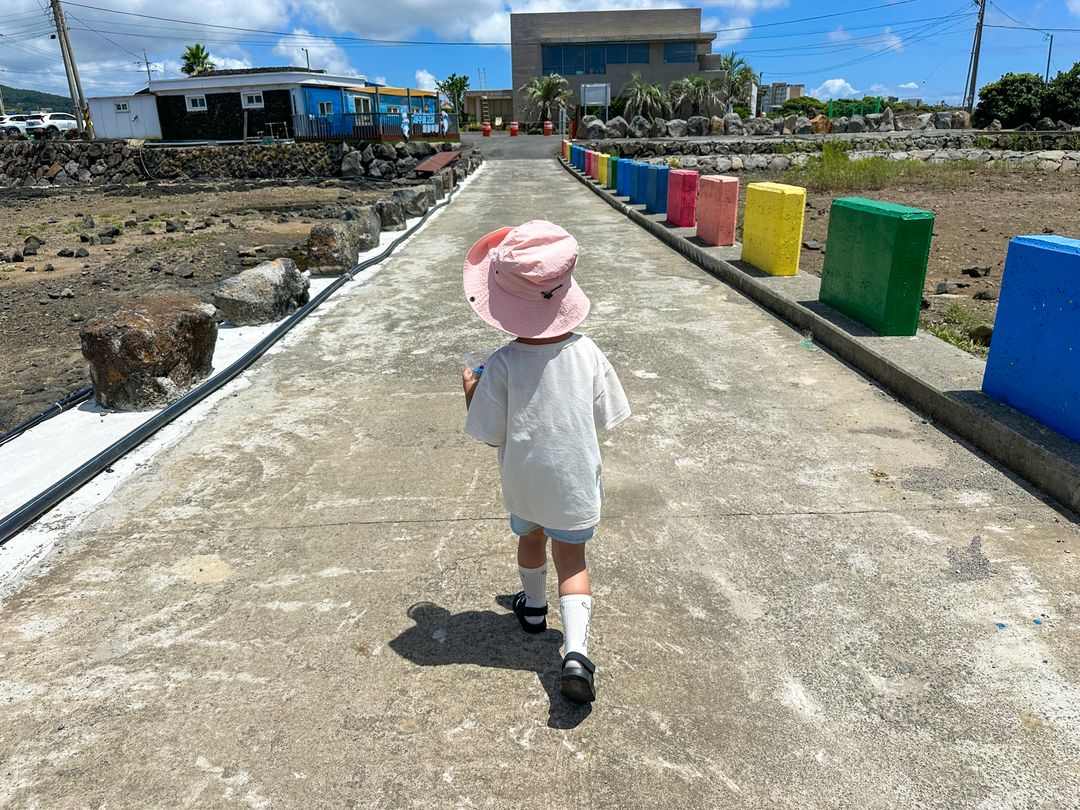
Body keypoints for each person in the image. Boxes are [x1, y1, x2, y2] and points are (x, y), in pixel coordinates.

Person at [460, 220, 630, 703]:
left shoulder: (502, 364)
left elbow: (491, 435)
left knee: (530, 538)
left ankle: (533, 609)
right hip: (574, 482)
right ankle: (575, 653)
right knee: (572, 560)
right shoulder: (588, 352)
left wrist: (471, 393)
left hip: (524, 480)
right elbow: (606, 414)